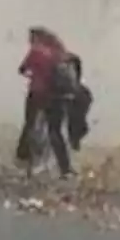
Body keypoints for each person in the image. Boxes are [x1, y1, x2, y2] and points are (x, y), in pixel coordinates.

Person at [15, 26, 76, 178]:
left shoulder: (36, 51)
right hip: (58, 96)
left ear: (36, 38)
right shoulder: (59, 52)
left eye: (30, 38)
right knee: (55, 132)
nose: (29, 41)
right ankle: (65, 168)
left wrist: (30, 73)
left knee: (30, 124)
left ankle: (24, 158)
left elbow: (22, 69)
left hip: (38, 94)